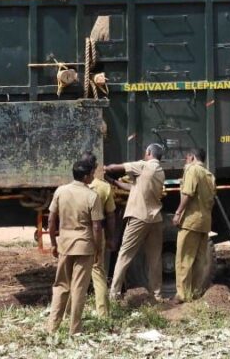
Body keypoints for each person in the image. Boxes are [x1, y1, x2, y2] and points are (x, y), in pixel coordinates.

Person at [46, 158, 104, 335]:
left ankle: (52, 328)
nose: (93, 177)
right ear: (86, 176)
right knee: (79, 288)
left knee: (61, 286)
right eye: (92, 174)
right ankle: (75, 329)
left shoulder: (60, 191)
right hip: (84, 246)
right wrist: (97, 248)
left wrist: (54, 244)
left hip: (64, 245)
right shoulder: (92, 196)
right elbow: (96, 227)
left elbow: (51, 220)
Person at [105, 143, 166, 303]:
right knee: (155, 258)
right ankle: (156, 295)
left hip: (139, 216)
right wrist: (115, 183)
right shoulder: (159, 171)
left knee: (125, 254)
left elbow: (115, 167)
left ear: (148, 153)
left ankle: (114, 294)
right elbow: (134, 187)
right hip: (155, 218)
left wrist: (104, 169)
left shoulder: (143, 166)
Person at [75, 151, 117, 317]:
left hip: (77, 235)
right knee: (98, 274)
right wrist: (111, 238)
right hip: (97, 234)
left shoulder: (69, 188)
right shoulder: (104, 187)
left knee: (76, 275)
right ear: (95, 168)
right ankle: (103, 314)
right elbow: (111, 216)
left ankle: (70, 313)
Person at [172, 148, 216, 303]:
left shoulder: (192, 170)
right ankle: (195, 293)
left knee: (183, 258)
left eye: (186, 159)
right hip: (204, 222)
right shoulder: (210, 175)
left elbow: (188, 194)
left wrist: (178, 213)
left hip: (190, 221)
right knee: (199, 260)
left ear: (191, 157)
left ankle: (183, 295)